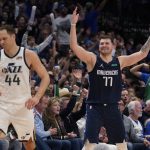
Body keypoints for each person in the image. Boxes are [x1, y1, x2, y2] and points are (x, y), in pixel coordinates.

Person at [70, 7, 150, 150]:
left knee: (122, 145)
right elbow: (74, 46)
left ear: (113, 46)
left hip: (113, 107)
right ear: (99, 46)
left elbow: (142, 53)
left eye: (107, 43)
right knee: (89, 144)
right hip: (95, 106)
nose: (104, 45)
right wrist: (73, 25)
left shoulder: (120, 61)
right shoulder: (92, 59)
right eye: (101, 43)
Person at [0, 25, 50, 150]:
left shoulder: (28, 55)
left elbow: (45, 77)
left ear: (13, 36)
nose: (1, 42)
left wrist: (37, 97)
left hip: (23, 105)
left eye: (4, 39)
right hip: (3, 105)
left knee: (29, 143)